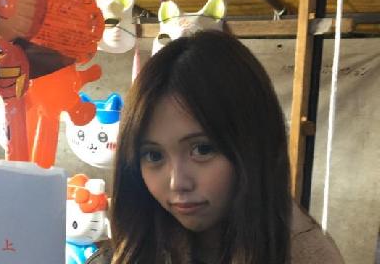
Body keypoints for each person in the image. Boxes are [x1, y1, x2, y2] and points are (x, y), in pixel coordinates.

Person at [87, 30, 344, 264]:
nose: (177, 183)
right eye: (153, 155)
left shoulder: (308, 256)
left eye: (202, 150)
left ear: (253, 144)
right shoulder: (126, 254)